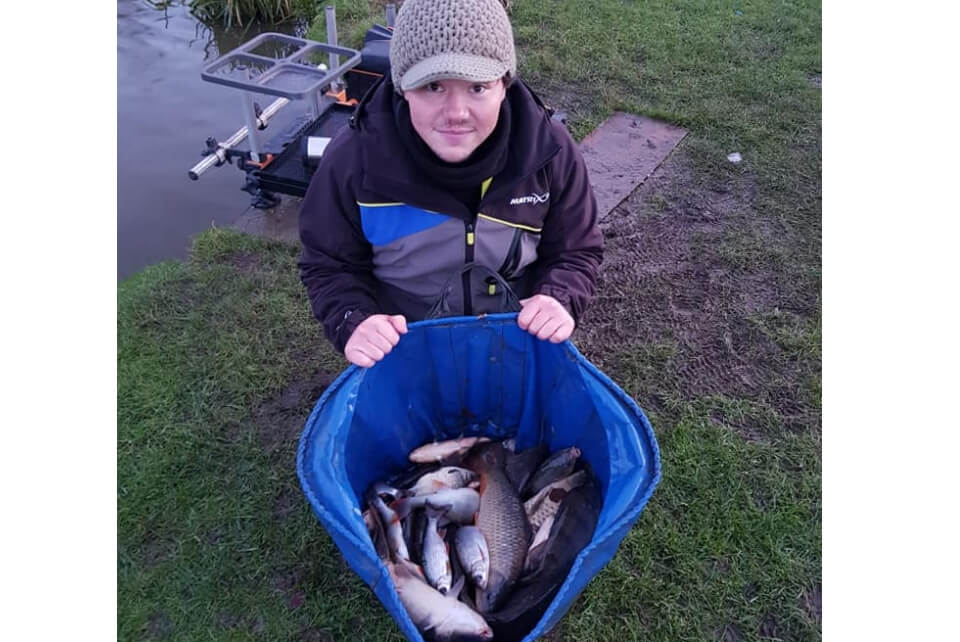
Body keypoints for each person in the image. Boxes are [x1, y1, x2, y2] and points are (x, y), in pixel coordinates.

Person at [299, 0, 603, 368]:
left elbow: (576, 250)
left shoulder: (548, 151)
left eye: (477, 87)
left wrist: (559, 297)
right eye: (433, 86)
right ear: (402, 86)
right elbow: (327, 264)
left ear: (504, 85)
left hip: (516, 343)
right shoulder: (352, 160)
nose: (457, 113)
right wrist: (353, 320)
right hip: (406, 352)